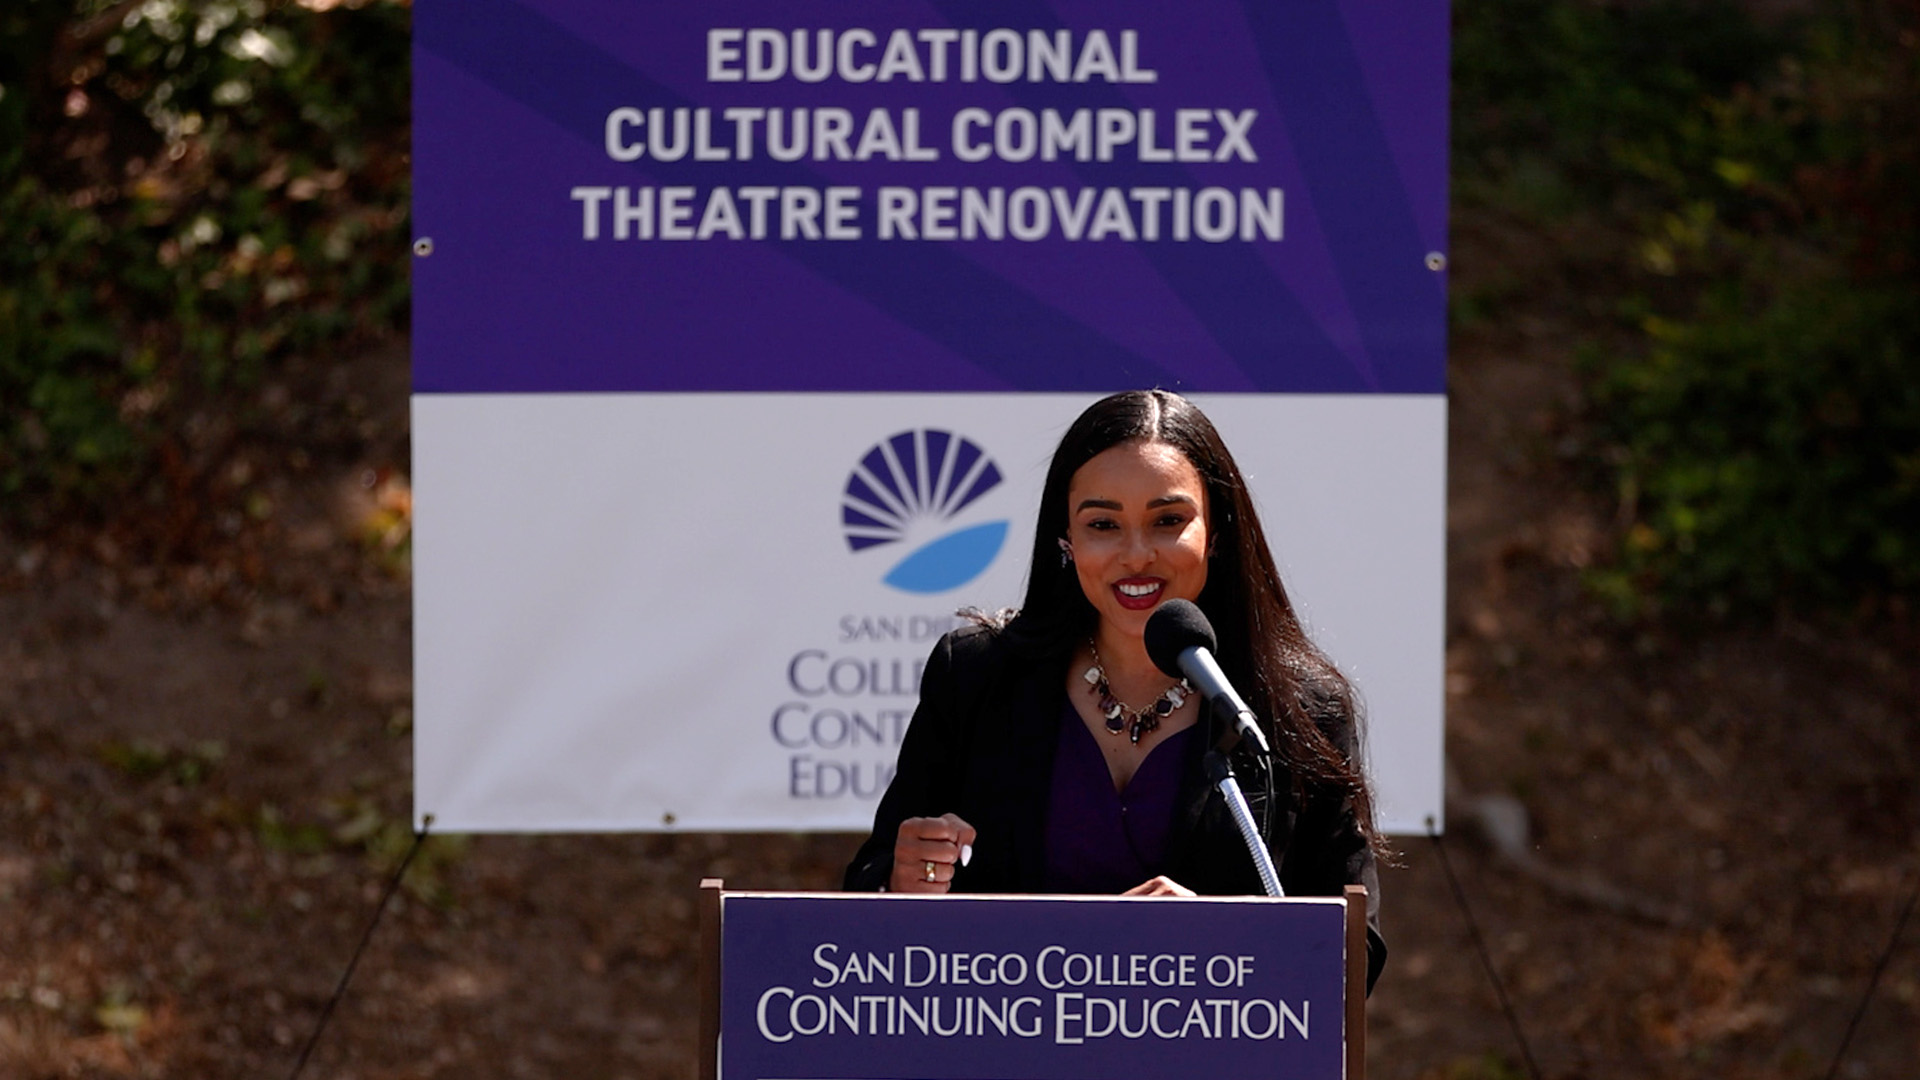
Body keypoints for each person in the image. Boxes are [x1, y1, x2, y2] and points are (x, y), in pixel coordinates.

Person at [842, 389, 1387, 991]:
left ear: (1217, 532)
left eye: (1167, 521)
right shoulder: (974, 677)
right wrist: (900, 883)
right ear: (1065, 541)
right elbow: (872, 886)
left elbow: (1351, 952)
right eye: (1103, 525)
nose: (1135, 555)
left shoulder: (1298, 710)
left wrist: (1218, 941)